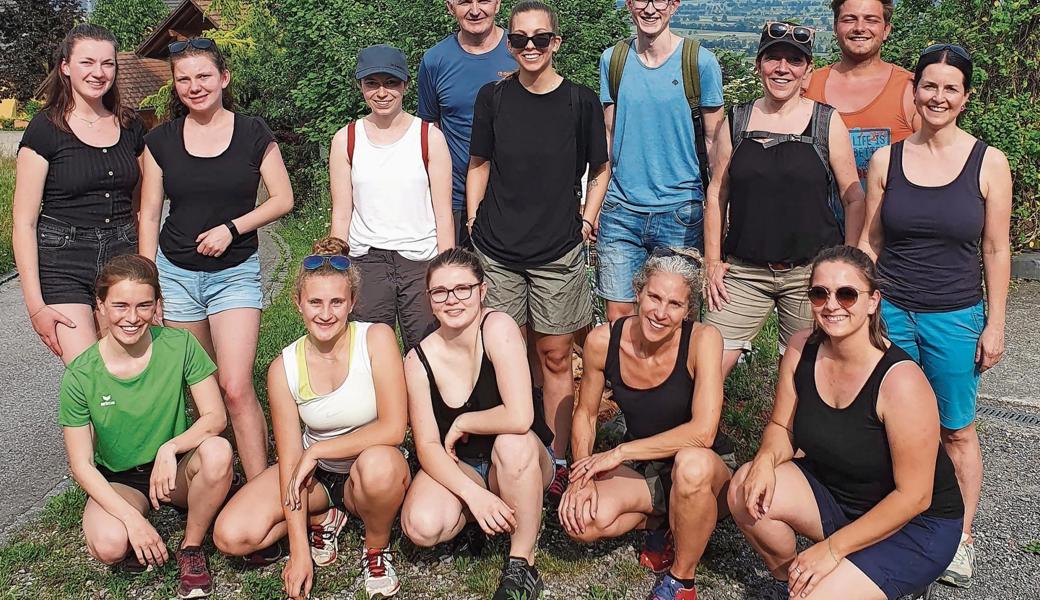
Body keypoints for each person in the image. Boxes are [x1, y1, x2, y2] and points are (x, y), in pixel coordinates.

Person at [728, 245, 964, 600]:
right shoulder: (800, 347)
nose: (832, 304)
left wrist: (833, 549)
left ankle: (891, 581)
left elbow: (915, 496)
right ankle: (795, 579)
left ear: (873, 301)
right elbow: (782, 427)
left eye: (847, 294)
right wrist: (763, 460)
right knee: (743, 488)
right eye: (819, 293)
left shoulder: (901, 382)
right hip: (839, 496)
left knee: (819, 591)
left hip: (915, 523)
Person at [859, 44, 1012, 588]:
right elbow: (870, 244)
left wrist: (995, 324)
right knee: (887, 427)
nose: (938, 97)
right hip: (892, 314)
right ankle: (891, 523)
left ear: (965, 97)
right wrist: (858, 308)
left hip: (955, 317)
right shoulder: (887, 160)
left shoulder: (988, 162)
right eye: (929, 86)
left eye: (951, 88)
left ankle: (960, 538)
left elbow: (996, 249)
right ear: (914, 91)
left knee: (956, 432)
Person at [213, 237, 411, 600]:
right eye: (315, 302)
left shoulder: (376, 339)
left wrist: (318, 451)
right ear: (298, 304)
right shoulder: (282, 368)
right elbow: (291, 461)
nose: (326, 313)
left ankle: (376, 548)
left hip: (369, 470)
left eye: (337, 302)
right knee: (231, 534)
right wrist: (299, 552)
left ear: (352, 303)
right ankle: (323, 519)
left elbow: (395, 428)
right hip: (315, 480)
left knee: (380, 466)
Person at [465, 0, 609, 495]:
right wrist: (470, 220)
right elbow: (479, 163)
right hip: (497, 248)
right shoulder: (494, 99)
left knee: (553, 357)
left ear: (556, 43)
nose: (530, 47)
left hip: (557, 249)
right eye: (521, 39)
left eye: (540, 38)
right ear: (509, 44)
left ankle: (560, 457)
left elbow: (600, 167)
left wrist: (588, 219)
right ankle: (513, 446)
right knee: (503, 353)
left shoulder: (580, 101)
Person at [139, 38, 294, 481]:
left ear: (223, 78)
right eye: (183, 79)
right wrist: (148, 281)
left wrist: (233, 228)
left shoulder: (253, 133)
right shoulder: (160, 141)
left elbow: (283, 198)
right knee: (202, 392)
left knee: (235, 385)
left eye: (203, 76)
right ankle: (217, 478)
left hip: (235, 274)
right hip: (176, 275)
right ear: (175, 86)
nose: (194, 86)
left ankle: (262, 489)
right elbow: (149, 212)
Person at [560, 251, 735, 600]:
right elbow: (586, 414)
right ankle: (669, 521)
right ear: (638, 292)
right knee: (582, 520)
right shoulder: (602, 340)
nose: (660, 312)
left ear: (688, 311)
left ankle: (682, 580)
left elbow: (703, 432)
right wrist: (581, 476)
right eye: (654, 297)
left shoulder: (703, 340)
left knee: (691, 464)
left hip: (705, 466)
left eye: (674, 304)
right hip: (648, 467)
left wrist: (618, 452)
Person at [59, 254, 233, 600]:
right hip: (123, 478)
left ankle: (191, 546)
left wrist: (171, 448)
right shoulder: (80, 374)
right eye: (120, 305)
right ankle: (139, 521)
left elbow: (216, 417)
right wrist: (131, 520)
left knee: (218, 451)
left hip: (175, 470)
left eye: (143, 305)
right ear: (101, 305)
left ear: (157, 306)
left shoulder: (179, 344)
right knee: (109, 545)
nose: (132, 317)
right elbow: (80, 465)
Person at [703, 21, 865, 379]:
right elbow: (717, 192)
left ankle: (791, 435)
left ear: (807, 71)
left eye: (794, 60)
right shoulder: (738, 120)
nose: (782, 68)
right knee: (706, 365)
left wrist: (849, 263)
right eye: (773, 58)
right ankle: (698, 434)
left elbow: (853, 197)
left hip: (810, 272)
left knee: (807, 373)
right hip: (744, 272)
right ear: (759, 65)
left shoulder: (827, 122)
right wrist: (712, 261)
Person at [400, 248, 556, 600]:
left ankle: (522, 562)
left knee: (511, 442)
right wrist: (474, 494)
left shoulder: (497, 328)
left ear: (482, 291)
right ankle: (478, 517)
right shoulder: (417, 359)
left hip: (520, 459)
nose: (452, 299)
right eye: (440, 292)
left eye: (463, 289)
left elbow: (520, 416)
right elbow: (426, 445)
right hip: (467, 466)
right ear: (429, 299)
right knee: (420, 525)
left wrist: (464, 421)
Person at [13, 24, 146, 364]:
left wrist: (149, 278)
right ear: (66, 67)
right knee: (88, 373)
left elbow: (143, 208)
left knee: (128, 369)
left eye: (108, 64)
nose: (98, 73)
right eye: (87, 62)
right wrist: (36, 307)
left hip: (122, 254)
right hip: (63, 259)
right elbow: (24, 223)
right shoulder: (45, 128)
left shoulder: (131, 126)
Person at [596, 0, 727, 323]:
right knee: (619, 316)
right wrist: (597, 199)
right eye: (642, 0)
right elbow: (608, 135)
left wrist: (722, 205)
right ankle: (624, 376)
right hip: (621, 211)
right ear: (629, 4)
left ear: (674, 5)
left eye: (660, 1)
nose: (650, 8)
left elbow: (715, 141)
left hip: (681, 211)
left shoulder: (699, 62)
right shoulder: (613, 60)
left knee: (676, 316)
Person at [329, 44, 454, 352]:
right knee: (370, 353)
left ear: (405, 86)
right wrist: (333, 269)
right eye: (372, 83)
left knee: (428, 349)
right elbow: (342, 213)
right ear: (360, 86)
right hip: (366, 261)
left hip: (421, 260)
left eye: (391, 83)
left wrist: (447, 270)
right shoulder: (346, 139)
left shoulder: (429, 137)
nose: (382, 92)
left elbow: (443, 212)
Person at [417, 0, 517, 247]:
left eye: (483, 0)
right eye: (464, 2)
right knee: (459, 282)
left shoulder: (522, 52)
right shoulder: (434, 61)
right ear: (450, 7)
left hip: (516, 197)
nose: (474, 10)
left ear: (498, 4)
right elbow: (429, 131)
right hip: (456, 200)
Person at [804, 0, 917, 187]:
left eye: (871, 20)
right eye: (849, 19)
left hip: (887, 215)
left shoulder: (911, 91)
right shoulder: (808, 87)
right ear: (835, 27)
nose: (859, 28)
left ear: (886, 29)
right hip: (818, 215)